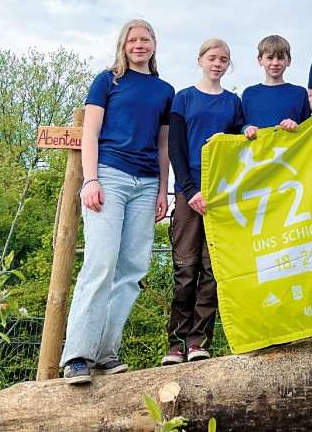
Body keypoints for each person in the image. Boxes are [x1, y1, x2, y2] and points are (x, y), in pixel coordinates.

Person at [61, 19, 174, 384]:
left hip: (147, 184)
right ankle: (77, 355)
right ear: (123, 44)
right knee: (100, 264)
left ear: (154, 45)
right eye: (133, 39)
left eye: (146, 39)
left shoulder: (164, 90)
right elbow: (90, 134)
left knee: (132, 270)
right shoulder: (107, 80)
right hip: (109, 176)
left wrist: (162, 191)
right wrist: (90, 180)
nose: (139, 44)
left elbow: (163, 145)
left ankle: (105, 353)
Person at [164, 38, 251, 365]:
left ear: (228, 65)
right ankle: (176, 343)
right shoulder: (183, 99)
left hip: (222, 195)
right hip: (190, 194)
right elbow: (176, 150)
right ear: (200, 60)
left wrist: (241, 133)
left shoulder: (234, 102)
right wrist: (189, 189)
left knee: (213, 270)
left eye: (224, 59)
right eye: (212, 58)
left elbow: (241, 139)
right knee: (185, 269)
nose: (218, 63)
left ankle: (200, 341)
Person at [241, 35, 312, 138]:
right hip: (258, 153)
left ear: (289, 60)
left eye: (280, 58)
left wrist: (296, 127)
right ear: (260, 60)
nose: (275, 63)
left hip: (291, 152)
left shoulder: (300, 93)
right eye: (270, 58)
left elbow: (308, 130)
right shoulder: (249, 93)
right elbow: (239, 126)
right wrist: (246, 129)